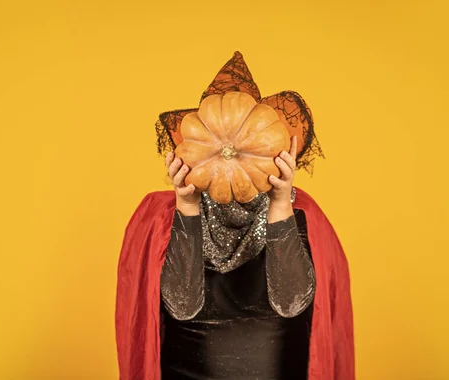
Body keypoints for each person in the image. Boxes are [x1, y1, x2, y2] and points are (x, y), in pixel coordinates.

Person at [115, 52, 354, 380]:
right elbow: (181, 306)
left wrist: (280, 206)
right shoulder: (161, 217)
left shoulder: (301, 213)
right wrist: (186, 207)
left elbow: (292, 305)